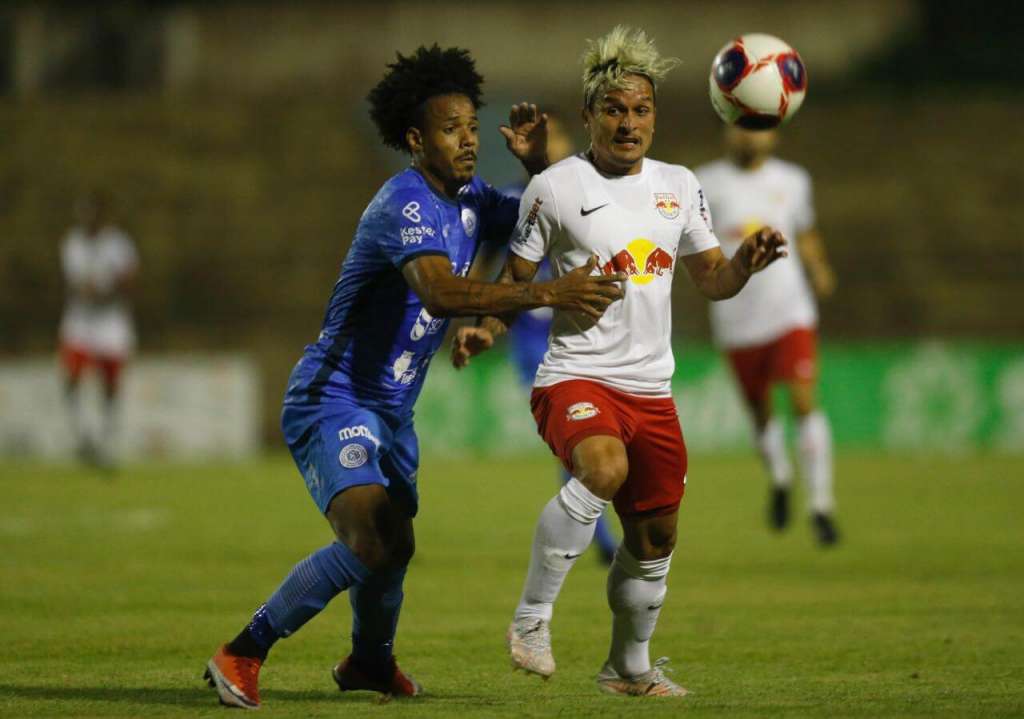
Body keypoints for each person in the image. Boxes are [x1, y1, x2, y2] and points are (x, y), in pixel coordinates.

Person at [203, 45, 627, 710]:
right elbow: (438, 292)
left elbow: (548, 218)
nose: (467, 139)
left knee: (396, 543)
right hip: (333, 397)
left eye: (470, 125)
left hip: (392, 411)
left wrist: (543, 165)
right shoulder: (404, 203)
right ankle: (242, 651)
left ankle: (370, 662)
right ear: (414, 139)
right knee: (371, 535)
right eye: (450, 128)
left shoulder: (470, 199)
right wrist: (549, 295)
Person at [452, 26, 788, 697]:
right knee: (604, 467)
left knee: (655, 539)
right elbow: (517, 275)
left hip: (651, 391)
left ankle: (628, 667)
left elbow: (712, 279)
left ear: (654, 116)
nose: (628, 122)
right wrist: (486, 326)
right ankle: (531, 618)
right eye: (614, 109)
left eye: (640, 110)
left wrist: (744, 267)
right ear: (588, 117)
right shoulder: (552, 187)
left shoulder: (680, 186)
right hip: (574, 375)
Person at [694, 127, 839, 545]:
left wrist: (819, 267)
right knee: (759, 410)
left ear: (773, 133)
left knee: (803, 399)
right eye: (741, 125)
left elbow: (806, 232)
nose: (749, 136)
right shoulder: (706, 182)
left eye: (758, 127)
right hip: (737, 318)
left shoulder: (793, 180)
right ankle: (779, 477)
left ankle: (821, 506)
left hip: (789, 309)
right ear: (726, 129)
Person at [502, 115, 619, 565]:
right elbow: (495, 263)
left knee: (597, 441)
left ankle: (601, 535)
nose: (548, 147)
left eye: (556, 137)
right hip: (536, 340)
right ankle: (602, 539)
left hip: (593, 335)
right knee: (578, 436)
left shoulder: (597, 195)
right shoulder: (512, 200)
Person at [58, 191, 139, 468]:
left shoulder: (118, 244)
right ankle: (82, 435)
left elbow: (129, 280)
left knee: (110, 383)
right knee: (72, 377)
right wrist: (87, 290)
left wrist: (106, 290)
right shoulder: (72, 243)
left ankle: (107, 441)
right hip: (80, 319)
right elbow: (72, 282)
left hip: (111, 321)